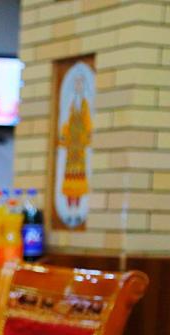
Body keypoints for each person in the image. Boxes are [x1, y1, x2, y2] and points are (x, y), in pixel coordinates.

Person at [58, 74, 92, 227]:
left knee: (79, 182)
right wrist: (64, 138)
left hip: (80, 151)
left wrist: (87, 138)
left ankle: (77, 211)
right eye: (76, 83)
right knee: (69, 182)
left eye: (80, 83)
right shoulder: (71, 103)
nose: (78, 86)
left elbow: (88, 123)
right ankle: (69, 211)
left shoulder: (85, 103)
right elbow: (65, 123)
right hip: (71, 150)